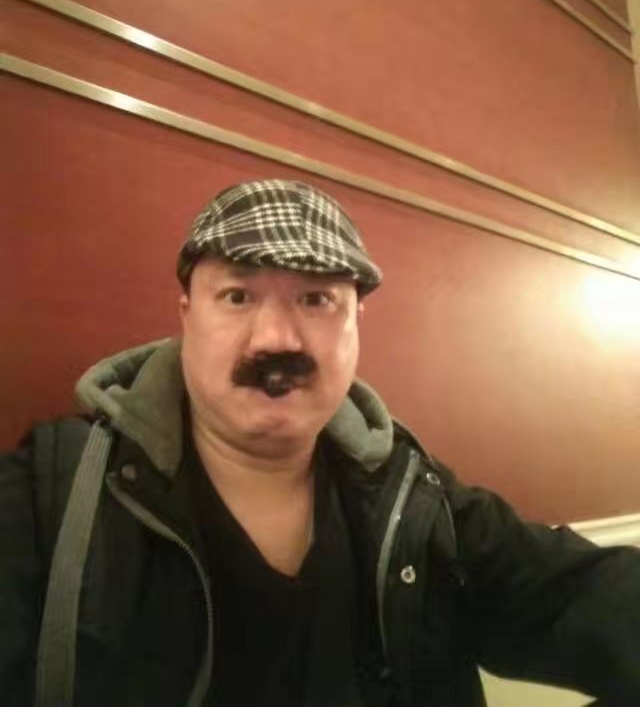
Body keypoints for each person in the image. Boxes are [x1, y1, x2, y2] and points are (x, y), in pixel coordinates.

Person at [1, 178, 639, 707]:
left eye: (316, 299)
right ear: (186, 315)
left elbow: (583, 594)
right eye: (237, 296)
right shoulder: (46, 497)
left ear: (356, 323)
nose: (276, 338)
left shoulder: (418, 499)